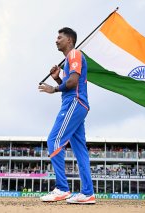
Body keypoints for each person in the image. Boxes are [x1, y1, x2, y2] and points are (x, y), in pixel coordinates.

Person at [38, 27, 95, 204]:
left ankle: (62, 188)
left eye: (59, 37)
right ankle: (88, 194)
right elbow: (68, 83)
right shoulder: (70, 59)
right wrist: (57, 78)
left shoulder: (74, 54)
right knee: (80, 150)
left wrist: (53, 88)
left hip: (74, 102)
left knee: (53, 140)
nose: (56, 40)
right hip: (78, 104)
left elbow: (72, 83)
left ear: (69, 40)